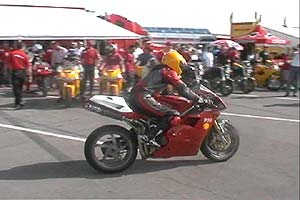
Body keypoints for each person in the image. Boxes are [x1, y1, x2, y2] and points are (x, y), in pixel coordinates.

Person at [128, 50, 210, 147]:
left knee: (160, 113)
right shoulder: (168, 71)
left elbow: (170, 90)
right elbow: (183, 89)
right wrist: (197, 98)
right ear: (174, 62)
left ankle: (143, 135)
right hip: (143, 97)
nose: (182, 67)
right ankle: (149, 137)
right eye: (181, 64)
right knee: (172, 114)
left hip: (138, 97)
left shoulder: (160, 70)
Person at [9, 42, 30, 110]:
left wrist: (8, 71)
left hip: (15, 71)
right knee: (20, 88)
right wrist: (28, 75)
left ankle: (18, 102)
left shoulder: (12, 53)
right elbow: (27, 66)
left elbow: (9, 63)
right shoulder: (24, 55)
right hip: (22, 72)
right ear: (23, 47)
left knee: (16, 88)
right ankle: (18, 102)